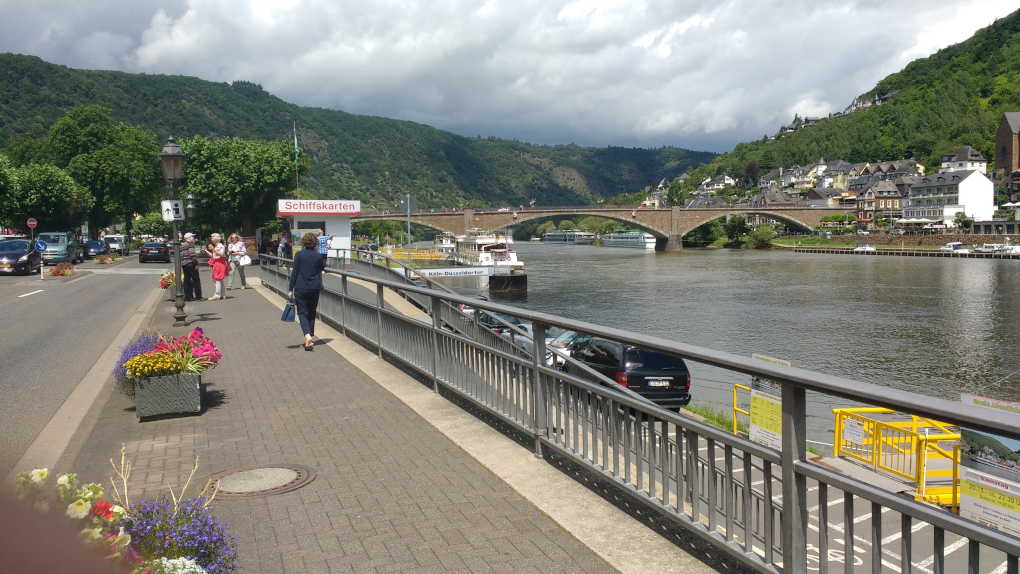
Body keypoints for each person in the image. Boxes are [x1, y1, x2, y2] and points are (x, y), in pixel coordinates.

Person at [288, 232, 326, 350]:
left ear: (303, 243)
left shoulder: (299, 255)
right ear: (315, 244)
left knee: (302, 313)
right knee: (311, 311)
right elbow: (322, 267)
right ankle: (310, 335)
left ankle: (307, 335)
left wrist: (290, 288)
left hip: (301, 287)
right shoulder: (318, 255)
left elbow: (295, 272)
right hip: (314, 287)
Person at [205, 233, 230, 300]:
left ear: (216, 239)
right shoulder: (217, 246)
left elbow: (221, 254)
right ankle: (222, 294)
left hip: (219, 263)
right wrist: (206, 250)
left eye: (213, 238)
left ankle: (217, 295)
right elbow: (213, 256)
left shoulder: (220, 246)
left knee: (217, 279)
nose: (211, 239)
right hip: (217, 262)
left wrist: (213, 249)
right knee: (220, 279)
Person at [180, 233, 203, 301]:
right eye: (192, 237)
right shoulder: (190, 244)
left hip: (184, 264)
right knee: (196, 280)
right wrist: (196, 264)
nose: (193, 238)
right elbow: (192, 254)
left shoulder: (182, 245)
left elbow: (181, 255)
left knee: (186, 281)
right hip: (190, 263)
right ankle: (198, 296)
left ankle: (187, 297)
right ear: (189, 238)